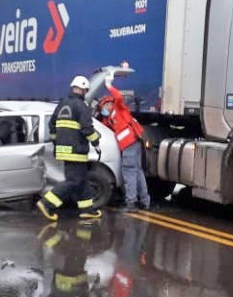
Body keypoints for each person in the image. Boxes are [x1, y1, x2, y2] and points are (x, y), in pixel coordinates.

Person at [37, 75, 102, 221]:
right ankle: (47, 203)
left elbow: (51, 126)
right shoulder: (82, 106)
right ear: (84, 90)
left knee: (82, 180)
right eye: (85, 90)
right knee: (73, 181)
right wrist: (96, 142)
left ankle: (87, 209)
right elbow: (87, 129)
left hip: (63, 150)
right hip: (76, 151)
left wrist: (56, 144)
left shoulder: (62, 105)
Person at [97, 72, 149, 212]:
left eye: (104, 106)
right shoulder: (108, 119)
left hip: (130, 142)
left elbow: (118, 96)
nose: (104, 110)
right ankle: (144, 201)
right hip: (133, 142)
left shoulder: (119, 108)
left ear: (109, 104)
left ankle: (131, 203)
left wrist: (109, 85)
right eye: (102, 108)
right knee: (137, 171)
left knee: (129, 172)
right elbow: (102, 126)